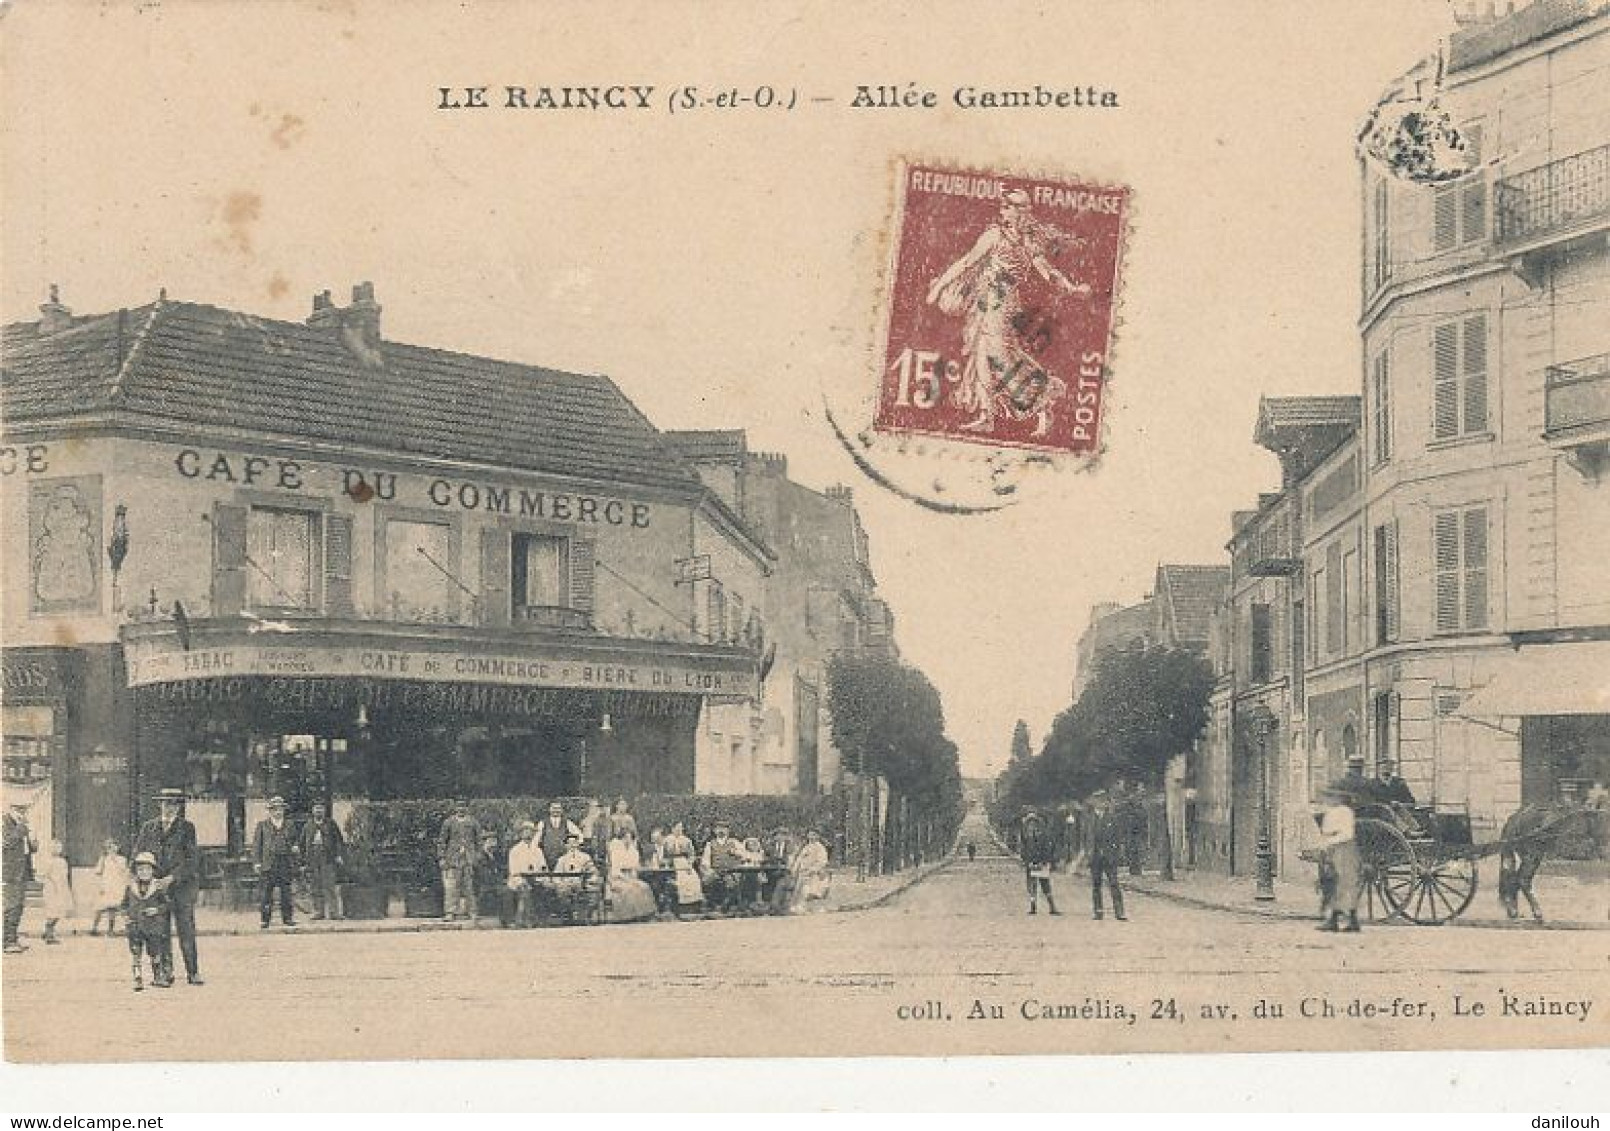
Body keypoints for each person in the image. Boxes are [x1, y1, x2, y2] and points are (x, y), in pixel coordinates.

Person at [924, 187, 1091, 435]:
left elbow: (1047, 273)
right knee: (982, 356)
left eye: (1010, 204)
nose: (1004, 207)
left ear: (1022, 212)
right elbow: (967, 262)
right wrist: (938, 287)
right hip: (983, 303)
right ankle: (986, 415)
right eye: (1004, 203)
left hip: (1003, 305)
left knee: (1002, 358)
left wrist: (1071, 288)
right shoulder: (994, 235)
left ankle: (1043, 400)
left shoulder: (1029, 242)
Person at [134, 788, 204, 984]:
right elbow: (138, 855)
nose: (169, 807)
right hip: (157, 889)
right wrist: (148, 879)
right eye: (165, 803)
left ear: (178, 807)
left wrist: (172, 878)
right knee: (160, 932)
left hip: (182, 888)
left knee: (186, 931)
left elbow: (191, 860)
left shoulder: (187, 828)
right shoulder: (149, 828)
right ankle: (166, 973)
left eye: (173, 803)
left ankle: (193, 972)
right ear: (160, 805)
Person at [122, 852, 173, 991]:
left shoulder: (157, 887)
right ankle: (138, 979)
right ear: (136, 872)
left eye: (147, 869)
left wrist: (156, 910)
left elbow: (167, 905)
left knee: (154, 952)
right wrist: (125, 916)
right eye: (140, 870)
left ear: (153, 871)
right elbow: (124, 905)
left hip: (153, 926)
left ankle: (157, 976)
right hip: (135, 925)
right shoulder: (130, 887)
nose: (144, 872)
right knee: (136, 953)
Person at [1313, 785, 1362, 933]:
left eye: (1331, 797)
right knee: (1335, 883)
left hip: (1344, 848)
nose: (1328, 800)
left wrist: (1329, 842)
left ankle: (1342, 920)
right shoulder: (1332, 812)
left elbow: (1347, 834)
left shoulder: (1345, 812)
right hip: (1334, 849)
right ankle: (1340, 919)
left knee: (1342, 882)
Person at [252, 796, 299, 928]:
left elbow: (295, 841)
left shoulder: (289, 825)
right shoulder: (262, 825)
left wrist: (295, 847)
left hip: (285, 861)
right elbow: (257, 845)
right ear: (270, 811)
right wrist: (257, 862)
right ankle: (265, 919)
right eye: (275, 809)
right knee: (266, 892)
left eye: (280, 809)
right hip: (268, 863)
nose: (278, 812)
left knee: (286, 891)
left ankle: (287, 918)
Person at [298, 803, 345, 920]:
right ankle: (319, 912)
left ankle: (334, 912)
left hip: (327, 858)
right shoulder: (307, 826)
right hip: (312, 858)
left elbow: (339, 841)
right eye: (316, 809)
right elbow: (302, 844)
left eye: (321, 809)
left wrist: (338, 855)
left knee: (329, 885)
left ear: (324, 811)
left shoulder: (331, 824)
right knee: (315, 886)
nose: (318, 811)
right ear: (312, 811)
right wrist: (303, 862)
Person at [437, 800, 481, 921]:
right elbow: (442, 841)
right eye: (459, 806)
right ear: (455, 807)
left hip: (468, 859)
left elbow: (479, 842)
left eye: (463, 806)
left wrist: (477, 856)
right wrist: (441, 857)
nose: (461, 808)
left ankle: (472, 911)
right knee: (451, 886)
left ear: (467, 808)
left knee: (469, 886)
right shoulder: (448, 822)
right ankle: (450, 912)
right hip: (452, 859)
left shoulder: (473, 822)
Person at [2, 800, 36, 954]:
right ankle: (7, 941)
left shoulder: (21, 827)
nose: (22, 814)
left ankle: (13, 939)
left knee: (19, 906)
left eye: (24, 811)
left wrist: (33, 843)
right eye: (19, 811)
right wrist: (22, 828)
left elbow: (27, 849)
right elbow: (7, 843)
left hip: (22, 872)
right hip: (11, 872)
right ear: (12, 810)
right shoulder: (5, 823)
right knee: (12, 906)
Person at [1087, 792, 1127, 921]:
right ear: (1095, 803)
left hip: (1110, 857)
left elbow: (1119, 837)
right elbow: (1085, 838)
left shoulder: (1112, 818)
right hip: (1095, 857)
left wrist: (1118, 853)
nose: (1101, 804)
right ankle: (1098, 912)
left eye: (1103, 801)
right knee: (1096, 885)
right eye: (1098, 801)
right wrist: (1088, 853)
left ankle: (1119, 912)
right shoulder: (1089, 819)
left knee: (1114, 883)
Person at [605, 828, 656, 923]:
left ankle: (643, 915)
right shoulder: (616, 851)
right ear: (621, 839)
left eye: (629, 838)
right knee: (629, 889)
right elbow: (615, 870)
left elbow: (634, 868)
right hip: (618, 878)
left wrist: (633, 879)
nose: (627, 840)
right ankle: (626, 917)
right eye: (625, 838)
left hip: (631, 876)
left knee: (644, 887)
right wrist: (627, 880)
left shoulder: (634, 851)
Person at [699, 821, 752, 912]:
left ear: (728, 831)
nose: (721, 831)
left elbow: (746, 856)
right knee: (708, 881)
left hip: (732, 871)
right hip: (716, 870)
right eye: (719, 828)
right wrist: (708, 869)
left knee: (731, 883)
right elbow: (705, 860)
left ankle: (727, 905)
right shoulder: (710, 844)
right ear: (715, 831)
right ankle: (714, 905)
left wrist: (736, 853)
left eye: (724, 829)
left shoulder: (734, 842)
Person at [548, 832, 599, 924]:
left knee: (588, 893)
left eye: (574, 843)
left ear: (578, 844)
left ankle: (583, 916)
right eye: (569, 843)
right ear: (566, 845)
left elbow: (593, 872)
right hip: (566, 885)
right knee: (563, 892)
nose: (572, 846)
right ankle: (568, 917)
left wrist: (589, 881)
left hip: (581, 884)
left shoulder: (585, 857)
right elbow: (556, 876)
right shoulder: (562, 859)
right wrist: (560, 884)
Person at [506, 821, 546, 927]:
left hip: (535, 879)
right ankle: (524, 919)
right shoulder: (515, 850)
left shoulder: (537, 850)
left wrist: (543, 879)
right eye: (525, 831)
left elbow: (543, 867)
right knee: (524, 889)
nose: (528, 834)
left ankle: (541, 919)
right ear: (521, 834)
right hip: (518, 879)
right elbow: (514, 870)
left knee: (545, 888)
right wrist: (521, 881)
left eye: (531, 831)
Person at [1020, 812, 1060, 916]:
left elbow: (1046, 849)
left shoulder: (1042, 835)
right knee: (1033, 886)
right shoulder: (1026, 836)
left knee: (1045, 885)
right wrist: (1026, 861)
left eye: (1033, 823)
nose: (1031, 825)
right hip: (1032, 863)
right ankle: (1034, 907)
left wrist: (1045, 861)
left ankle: (1051, 907)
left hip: (1040, 862)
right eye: (1030, 823)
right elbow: (1024, 849)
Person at [90, 838, 130, 937]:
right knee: (99, 908)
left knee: (113, 908)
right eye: (109, 847)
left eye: (114, 846)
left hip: (117, 886)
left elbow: (124, 871)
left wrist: (116, 861)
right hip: (106, 886)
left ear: (118, 847)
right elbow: (98, 872)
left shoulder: (122, 859)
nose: (112, 849)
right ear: (106, 848)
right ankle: (94, 928)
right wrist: (100, 886)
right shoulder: (103, 859)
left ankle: (111, 930)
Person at [662, 820, 704, 912]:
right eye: (677, 828)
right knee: (679, 880)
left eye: (680, 828)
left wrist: (689, 864)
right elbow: (664, 854)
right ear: (672, 829)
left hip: (684, 862)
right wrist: (666, 864)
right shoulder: (667, 840)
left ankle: (692, 904)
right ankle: (679, 905)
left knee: (693, 878)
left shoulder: (686, 840)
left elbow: (692, 854)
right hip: (672, 862)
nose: (679, 830)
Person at [787, 829, 831, 911]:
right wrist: (794, 869)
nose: (811, 837)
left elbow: (822, 861)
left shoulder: (820, 847)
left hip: (813, 873)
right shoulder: (806, 847)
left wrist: (813, 870)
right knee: (798, 889)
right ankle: (797, 906)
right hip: (802, 872)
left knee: (810, 890)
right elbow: (799, 859)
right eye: (810, 835)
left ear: (818, 836)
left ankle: (809, 907)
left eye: (814, 835)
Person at [473, 830, 511, 927]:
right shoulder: (480, 857)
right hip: (483, 885)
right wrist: (500, 881)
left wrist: (504, 878)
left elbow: (502, 869)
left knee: (508, 889)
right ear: (484, 843)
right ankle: (505, 920)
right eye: (490, 842)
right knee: (505, 891)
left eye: (495, 842)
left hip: (493, 883)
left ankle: (507, 919)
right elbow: (484, 875)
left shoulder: (496, 855)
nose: (493, 845)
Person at [39, 838, 73, 944]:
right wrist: (53, 882)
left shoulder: (62, 861)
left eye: (59, 847)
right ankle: (49, 935)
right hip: (52, 888)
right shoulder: (48, 861)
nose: (57, 849)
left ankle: (47, 930)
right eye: (54, 847)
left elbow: (65, 875)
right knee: (52, 910)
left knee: (60, 910)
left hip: (62, 887)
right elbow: (45, 874)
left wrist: (65, 888)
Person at [536, 801, 581, 872]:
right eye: (554, 808)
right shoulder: (543, 823)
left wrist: (572, 848)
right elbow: (535, 840)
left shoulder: (567, 823)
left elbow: (579, 837)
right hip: (546, 857)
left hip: (564, 857)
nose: (556, 810)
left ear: (562, 810)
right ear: (549, 809)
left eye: (558, 808)